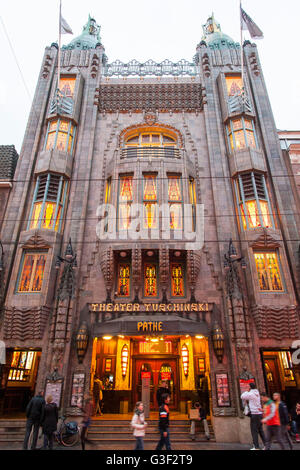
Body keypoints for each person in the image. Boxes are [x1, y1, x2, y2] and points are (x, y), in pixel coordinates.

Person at [241, 382, 266, 450]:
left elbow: (242, 396)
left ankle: (256, 447)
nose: (247, 387)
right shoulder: (257, 392)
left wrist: (246, 390)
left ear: (250, 387)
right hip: (259, 414)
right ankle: (266, 445)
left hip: (254, 414)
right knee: (260, 430)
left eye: (248, 386)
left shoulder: (251, 394)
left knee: (254, 431)